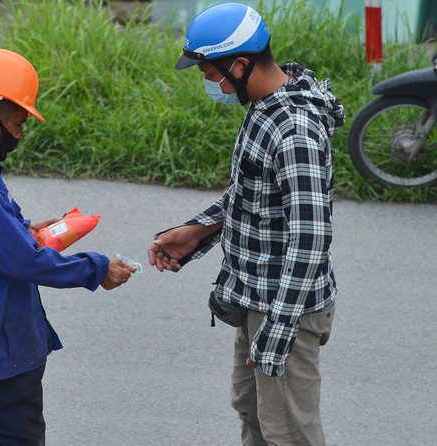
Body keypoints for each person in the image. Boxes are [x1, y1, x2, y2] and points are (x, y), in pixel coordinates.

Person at [147, 3, 344, 445]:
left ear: (239, 64)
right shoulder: (264, 105)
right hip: (255, 297)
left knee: (289, 433)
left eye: (210, 74)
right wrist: (198, 231)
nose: (209, 83)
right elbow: (252, 193)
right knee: (254, 414)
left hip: (284, 308)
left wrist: (277, 329)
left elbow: (310, 240)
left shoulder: (294, 130)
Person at [0, 48, 135, 446]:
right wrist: (98, 269)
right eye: (18, 124)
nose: (20, 134)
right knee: (18, 437)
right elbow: (25, 260)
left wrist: (21, 226)